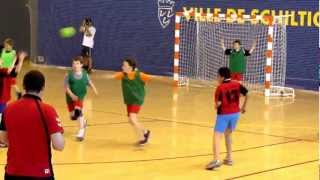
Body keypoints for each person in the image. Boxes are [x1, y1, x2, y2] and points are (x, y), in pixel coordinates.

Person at [0, 70, 65, 179]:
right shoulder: (48, 110)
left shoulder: (8, 109)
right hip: (40, 173)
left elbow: (3, 138)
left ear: (24, 86)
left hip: (13, 172)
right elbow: (59, 145)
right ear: (43, 87)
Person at [206, 67, 249, 170]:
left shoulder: (220, 88)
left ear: (222, 76)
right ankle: (229, 158)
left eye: (218, 76)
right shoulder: (237, 84)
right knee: (228, 134)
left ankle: (216, 159)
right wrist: (243, 107)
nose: (217, 78)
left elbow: (219, 104)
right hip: (235, 114)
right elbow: (248, 94)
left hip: (224, 114)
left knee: (217, 136)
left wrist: (216, 106)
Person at [107, 58, 152, 146]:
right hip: (129, 100)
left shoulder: (140, 75)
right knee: (131, 120)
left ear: (130, 67)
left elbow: (150, 79)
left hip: (137, 99)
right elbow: (112, 77)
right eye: (122, 65)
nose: (122, 67)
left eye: (124, 65)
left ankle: (143, 137)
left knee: (132, 118)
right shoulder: (123, 75)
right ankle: (146, 132)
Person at [65, 56, 98, 141]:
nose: (75, 65)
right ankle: (83, 121)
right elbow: (66, 87)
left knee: (78, 111)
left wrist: (94, 88)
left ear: (82, 65)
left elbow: (89, 82)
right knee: (73, 116)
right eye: (73, 63)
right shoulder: (68, 75)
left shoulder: (85, 74)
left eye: (77, 63)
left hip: (80, 96)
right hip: (70, 97)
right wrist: (71, 95)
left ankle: (81, 131)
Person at [0, 52, 26, 148]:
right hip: (1, 100)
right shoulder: (2, 72)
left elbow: (14, 72)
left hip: (3, 100)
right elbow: (14, 71)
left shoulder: (4, 70)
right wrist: (18, 60)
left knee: (2, 118)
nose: (1, 60)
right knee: (2, 119)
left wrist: (19, 60)